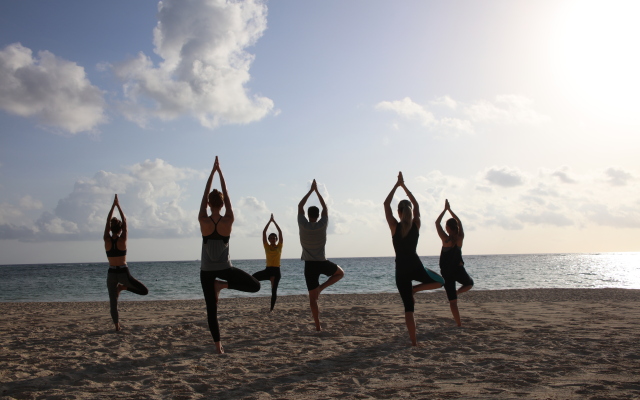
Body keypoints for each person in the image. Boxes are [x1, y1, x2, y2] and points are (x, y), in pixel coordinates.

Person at [198, 156, 260, 354]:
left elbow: (205, 193)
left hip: (207, 271)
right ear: (223, 205)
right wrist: (220, 173)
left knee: (211, 310)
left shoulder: (202, 219)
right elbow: (226, 193)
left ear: (208, 204)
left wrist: (212, 174)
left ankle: (218, 346)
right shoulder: (229, 219)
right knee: (255, 285)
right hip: (225, 268)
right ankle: (222, 285)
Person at [384, 172, 444, 346]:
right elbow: (417, 204)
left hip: (401, 270)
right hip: (416, 266)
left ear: (399, 212)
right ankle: (415, 289)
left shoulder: (394, 226)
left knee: (409, 309)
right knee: (440, 282)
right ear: (410, 211)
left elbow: (386, 203)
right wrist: (405, 187)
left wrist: (397, 185)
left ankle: (414, 341)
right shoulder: (416, 224)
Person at [298, 179, 344, 331]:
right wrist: (317, 191)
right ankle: (321, 288)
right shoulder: (322, 224)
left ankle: (318, 326)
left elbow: (299, 206)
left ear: (308, 215)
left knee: (312, 300)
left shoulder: (303, 224)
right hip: (321, 262)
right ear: (317, 216)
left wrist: (310, 191)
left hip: (309, 265)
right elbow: (325, 207)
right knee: (340, 273)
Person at [103, 194, 148, 332]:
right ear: (121, 229)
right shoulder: (123, 239)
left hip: (111, 273)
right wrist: (118, 206)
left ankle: (117, 326)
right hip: (123, 273)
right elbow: (125, 220)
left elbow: (107, 221)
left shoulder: (107, 240)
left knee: (113, 302)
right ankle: (124, 288)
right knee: (144, 291)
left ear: (110, 229)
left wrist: (112, 207)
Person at [436, 199, 474, 327]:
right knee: (469, 284)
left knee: (453, 302)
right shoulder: (460, 238)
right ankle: (456, 293)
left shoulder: (445, 239)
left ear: (447, 227)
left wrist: (444, 210)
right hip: (458, 270)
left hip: (447, 273)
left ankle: (459, 324)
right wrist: (450, 210)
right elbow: (459, 221)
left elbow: (436, 223)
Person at [252, 214, 283, 311]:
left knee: (274, 291)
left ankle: (271, 309)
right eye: (271, 238)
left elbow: (280, 232)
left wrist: (275, 222)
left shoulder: (279, 246)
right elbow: (264, 232)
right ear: (269, 240)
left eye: (274, 238)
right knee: (253, 277)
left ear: (276, 240)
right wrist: (270, 221)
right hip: (268, 270)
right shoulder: (266, 246)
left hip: (276, 271)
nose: (273, 239)